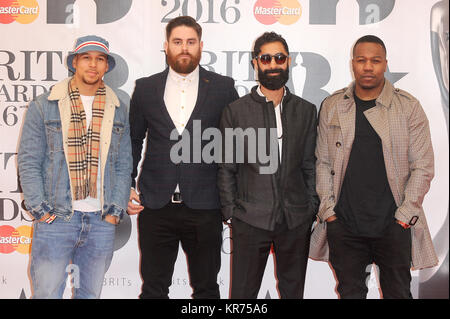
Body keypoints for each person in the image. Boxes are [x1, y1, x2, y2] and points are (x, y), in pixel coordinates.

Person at [310, 35, 439, 299]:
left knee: (398, 293)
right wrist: (329, 213)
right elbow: (321, 162)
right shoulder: (333, 105)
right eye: (362, 60)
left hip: (393, 225)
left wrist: (403, 218)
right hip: (344, 226)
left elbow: (423, 167)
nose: (368, 67)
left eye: (375, 61)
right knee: (349, 294)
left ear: (385, 64)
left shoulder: (408, 107)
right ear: (353, 64)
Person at [127, 16, 239, 299]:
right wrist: (126, 184)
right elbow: (133, 140)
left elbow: (235, 144)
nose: (184, 48)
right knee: (153, 289)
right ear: (166, 46)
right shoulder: (146, 88)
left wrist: (234, 196)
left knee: (207, 289)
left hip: (205, 204)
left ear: (201, 46)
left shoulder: (223, 88)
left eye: (190, 42)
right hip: (155, 204)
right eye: (178, 42)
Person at [18, 35, 132, 299]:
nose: (93, 65)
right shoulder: (44, 105)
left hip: (101, 220)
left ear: (107, 66)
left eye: (99, 59)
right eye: (86, 58)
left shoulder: (117, 108)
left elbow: (123, 162)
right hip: (57, 218)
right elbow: (29, 160)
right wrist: (40, 210)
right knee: (46, 294)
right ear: (74, 63)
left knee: (90, 296)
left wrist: (113, 212)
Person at [217, 32, 319, 299]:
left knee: (293, 292)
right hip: (250, 219)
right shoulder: (236, 111)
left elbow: (310, 164)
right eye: (266, 58)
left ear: (288, 62)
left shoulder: (306, 111)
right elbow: (227, 167)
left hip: (296, 219)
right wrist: (232, 213)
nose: (273, 64)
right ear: (255, 63)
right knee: (242, 295)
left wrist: (310, 207)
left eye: (279, 58)